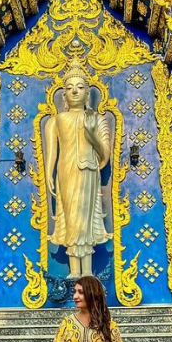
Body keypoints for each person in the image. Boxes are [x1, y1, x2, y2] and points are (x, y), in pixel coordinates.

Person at [44, 61, 112, 279]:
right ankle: (75, 271)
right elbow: (51, 153)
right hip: (66, 172)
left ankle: (88, 272)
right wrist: (48, 174)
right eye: (70, 88)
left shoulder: (96, 119)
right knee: (72, 219)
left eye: (80, 87)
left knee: (86, 217)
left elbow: (105, 155)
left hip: (89, 172)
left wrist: (91, 134)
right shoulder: (57, 120)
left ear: (88, 94)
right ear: (64, 96)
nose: (75, 91)